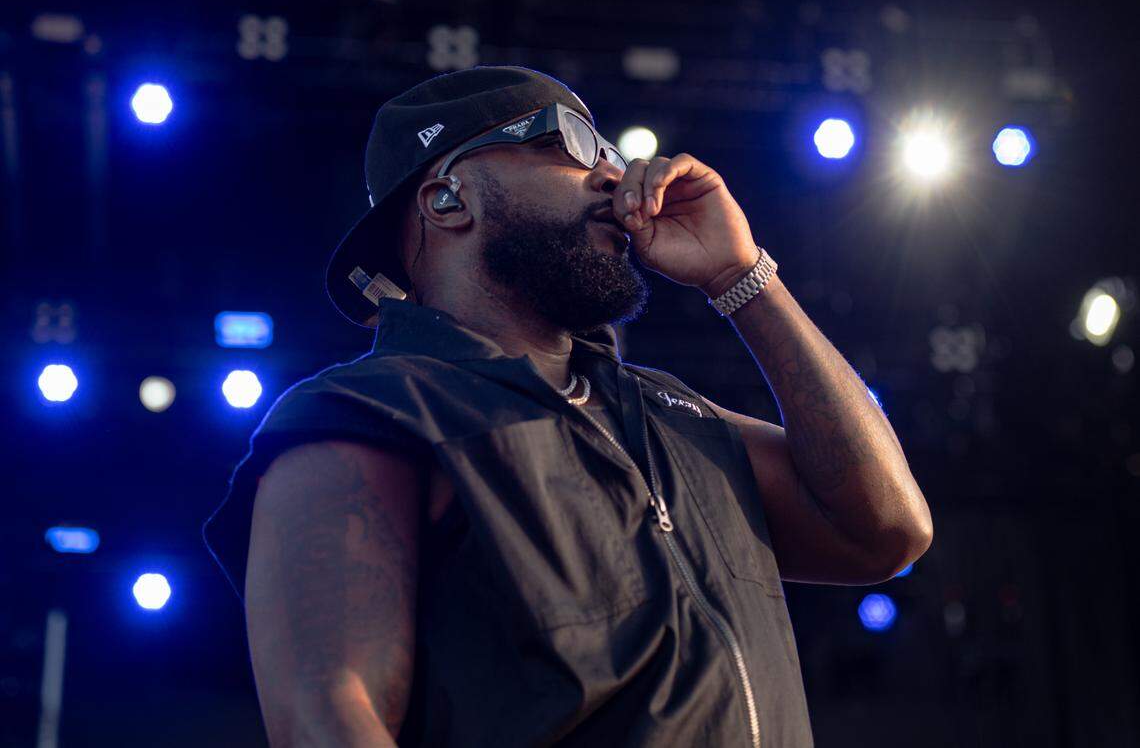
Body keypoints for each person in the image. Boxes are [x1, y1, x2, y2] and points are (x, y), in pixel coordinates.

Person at [202, 65, 932, 747]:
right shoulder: (370, 413)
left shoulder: (670, 412)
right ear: (448, 198)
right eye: (575, 145)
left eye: (610, 149)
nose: (615, 175)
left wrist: (742, 277)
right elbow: (329, 723)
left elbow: (887, 531)